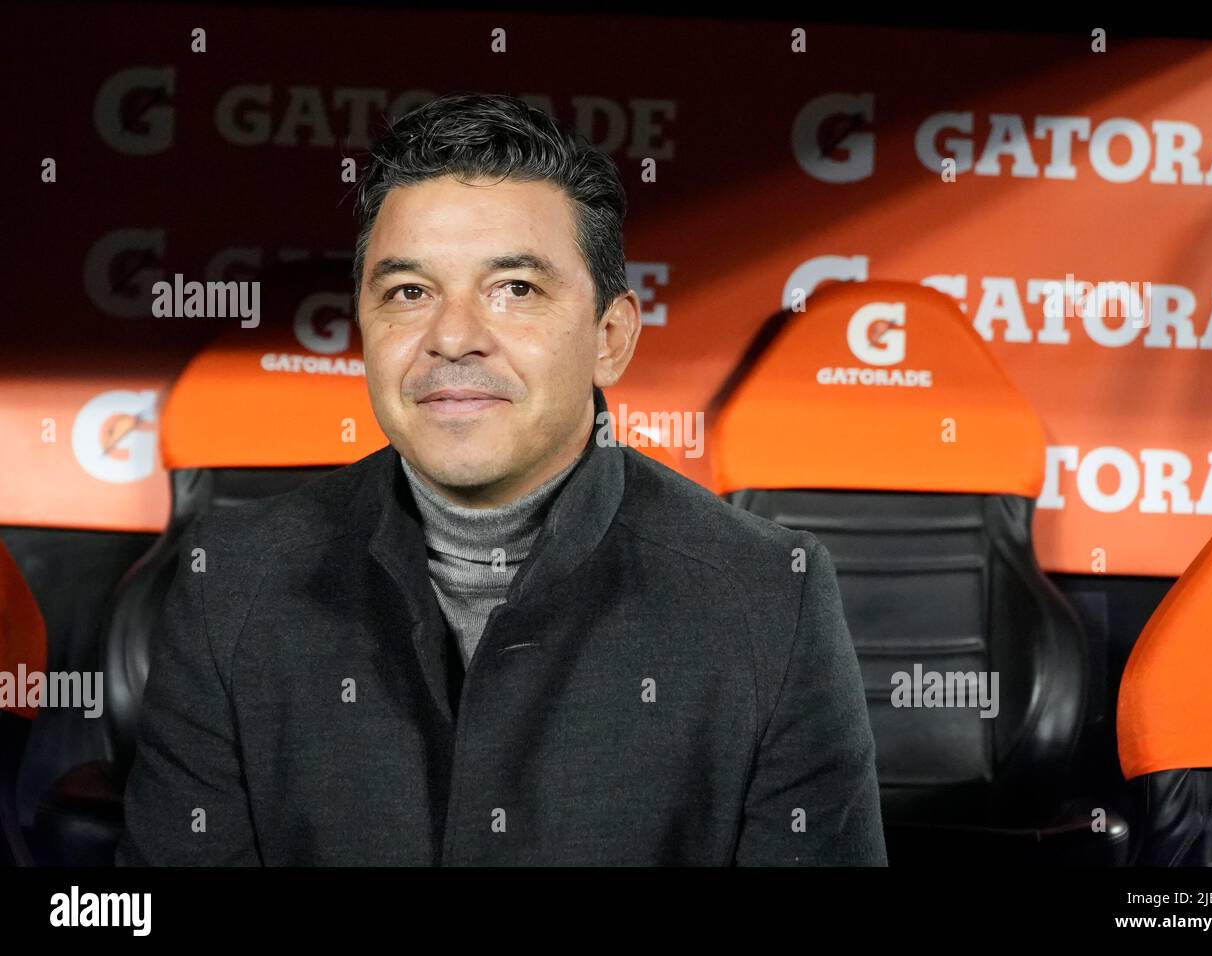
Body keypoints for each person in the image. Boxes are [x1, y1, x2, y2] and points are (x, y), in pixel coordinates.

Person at [116, 91, 887, 865]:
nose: (453, 336)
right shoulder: (232, 582)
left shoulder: (769, 596)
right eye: (408, 293)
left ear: (610, 339)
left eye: (515, 288)